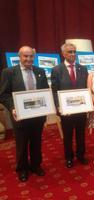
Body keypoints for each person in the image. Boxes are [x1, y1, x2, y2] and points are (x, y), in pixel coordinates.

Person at [0, 46, 49, 182]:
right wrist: (12, 107)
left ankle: (35, 165)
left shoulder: (40, 71)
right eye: (25, 56)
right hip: (19, 116)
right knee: (21, 144)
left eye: (31, 56)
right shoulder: (9, 72)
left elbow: (45, 91)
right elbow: (3, 94)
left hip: (38, 115)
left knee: (36, 141)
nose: (28, 59)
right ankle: (22, 168)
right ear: (19, 57)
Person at [51, 43, 89, 168]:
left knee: (80, 134)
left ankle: (81, 155)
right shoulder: (57, 69)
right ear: (63, 54)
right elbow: (55, 91)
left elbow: (86, 89)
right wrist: (58, 107)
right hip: (66, 111)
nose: (73, 54)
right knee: (67, 135)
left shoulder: (83, 68)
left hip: (81, 109)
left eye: (74, 51)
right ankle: (69, 157)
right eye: (70, 52)